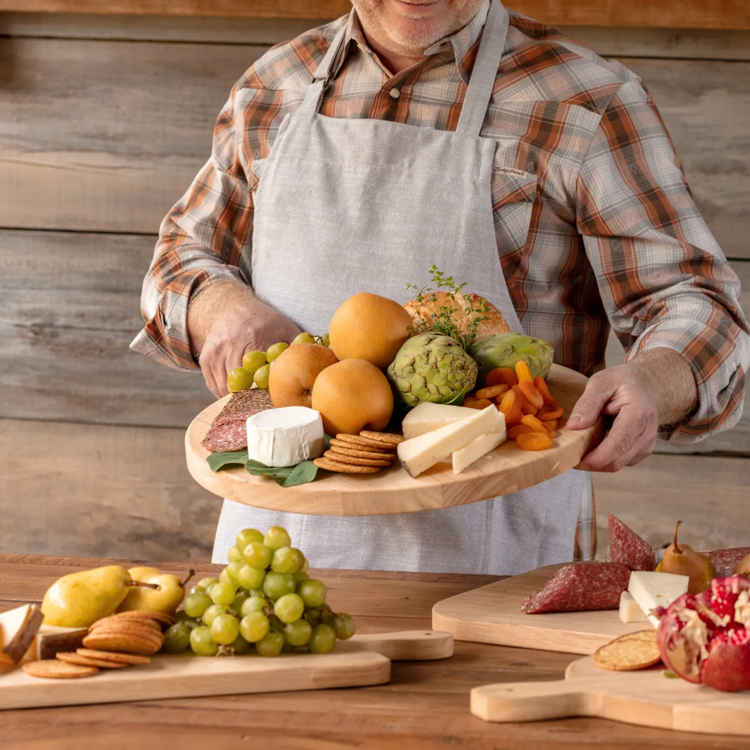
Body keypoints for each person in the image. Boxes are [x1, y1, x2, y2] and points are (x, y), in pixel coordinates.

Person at [132, 0, 749, 575]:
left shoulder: (587, 101)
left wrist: (654, 379)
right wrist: (221, 308)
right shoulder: (272, 86)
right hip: (272, 558)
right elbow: (179, 260)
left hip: (498, 562)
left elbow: (697, 304)